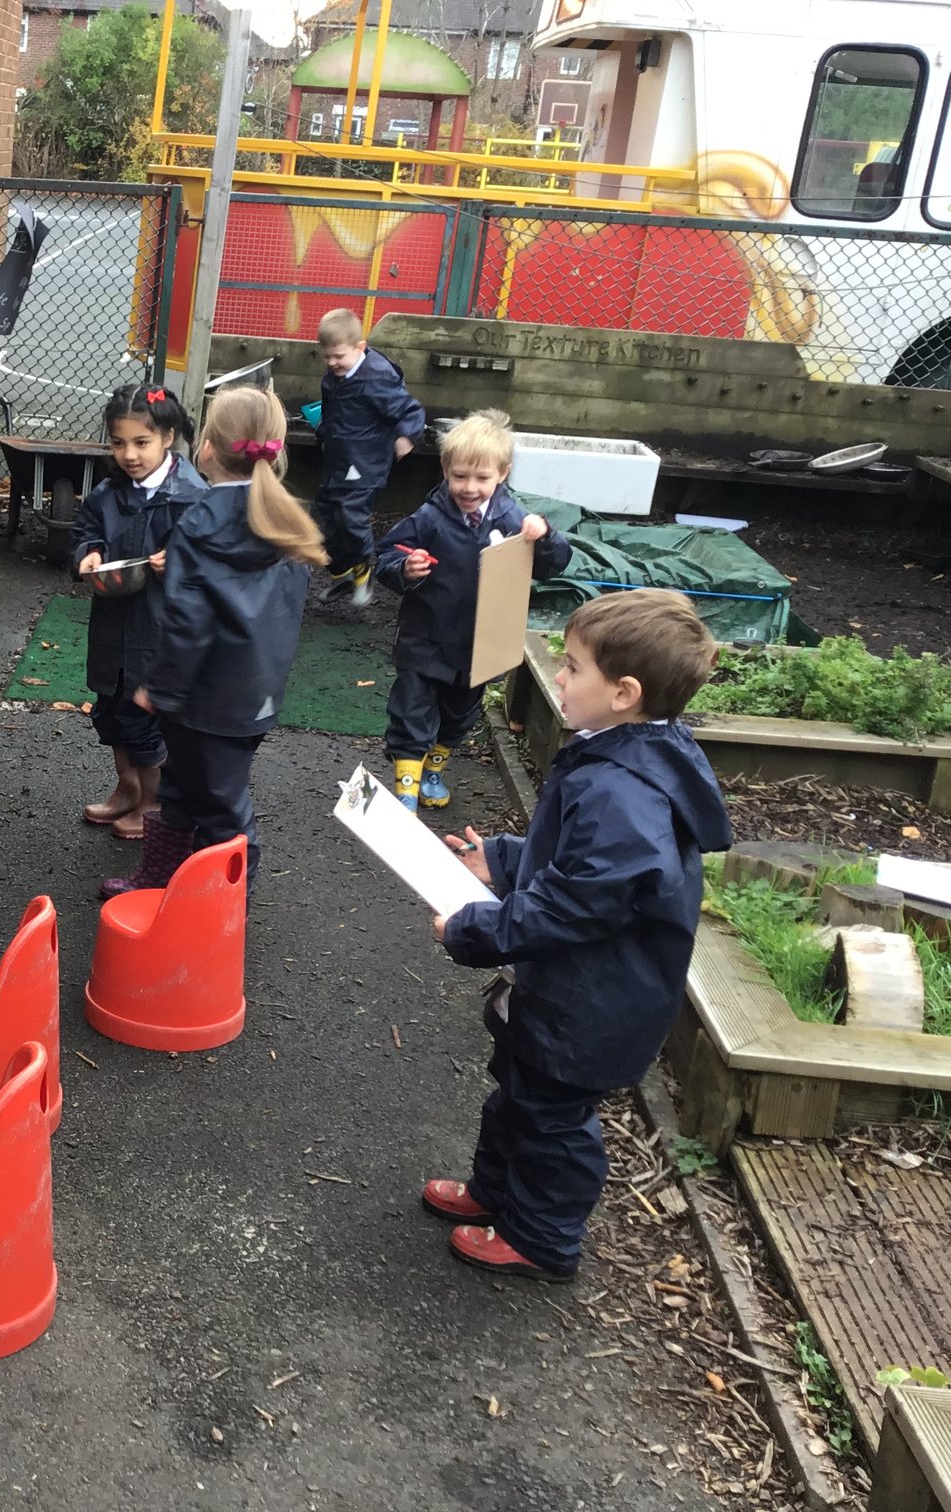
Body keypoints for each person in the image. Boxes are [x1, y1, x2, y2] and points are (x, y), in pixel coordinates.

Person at [427, 588, 732, 1282]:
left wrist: (474, 929)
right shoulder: (619, 753)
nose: (558, 678)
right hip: (572, 988)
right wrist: (502, 860)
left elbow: (576, 902)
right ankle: (495, 1194)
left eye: (572, 667)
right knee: (517, 1089)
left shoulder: (624, 790)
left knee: (552, 1120)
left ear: (624, 692)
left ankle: (540, 1237)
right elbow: (571, 855)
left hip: (593, 1000)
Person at [103, 384, 329, 898]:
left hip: (205, 699)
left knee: (225, 810)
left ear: (205, 447)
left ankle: (226, 912)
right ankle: (161, 879)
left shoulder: (201, 522)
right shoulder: (284, 519)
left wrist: (160, 688)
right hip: (253, 694)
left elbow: (187, 620)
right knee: (184, 786)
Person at [373, 409, 574, 810]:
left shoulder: (516, 519)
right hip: (425, 637)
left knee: (459, 715)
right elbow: (387, 554)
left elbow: (554, 564)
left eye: (481, 478)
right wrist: (405, 568)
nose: (469, 487)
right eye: (460, 475)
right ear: (445, 469)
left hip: (478, 643)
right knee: (411, 710)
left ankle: (434, 771)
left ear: (503, 473)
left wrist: (546, 536)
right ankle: (406, 788)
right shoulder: (430, 517)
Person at [72, 381, 207, 840]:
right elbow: (87, 528)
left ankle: (154, 805)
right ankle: (127, 789)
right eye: (119, 442)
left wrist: (180, 561)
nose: (129, 454)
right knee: (112, 711)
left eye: (141, 442)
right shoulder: (110, 492)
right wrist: (89, 552)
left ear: (168, 437)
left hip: (159, 629)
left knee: (145, 723)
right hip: (114, 623)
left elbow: (210, 559)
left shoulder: (189, 496)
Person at [311, 307, 425, 608]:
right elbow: (332, 410)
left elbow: (410, 410)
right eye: (327, 356)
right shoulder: (334, 376)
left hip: (365, 462)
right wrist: (323, 432)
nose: (332, 362)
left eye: (338, 356)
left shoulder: (376, 378)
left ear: (359, 348)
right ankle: (342, 572)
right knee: (322, 518)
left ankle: (364, 570)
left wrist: (405, 436)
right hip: (338, 458)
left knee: (351, 515)